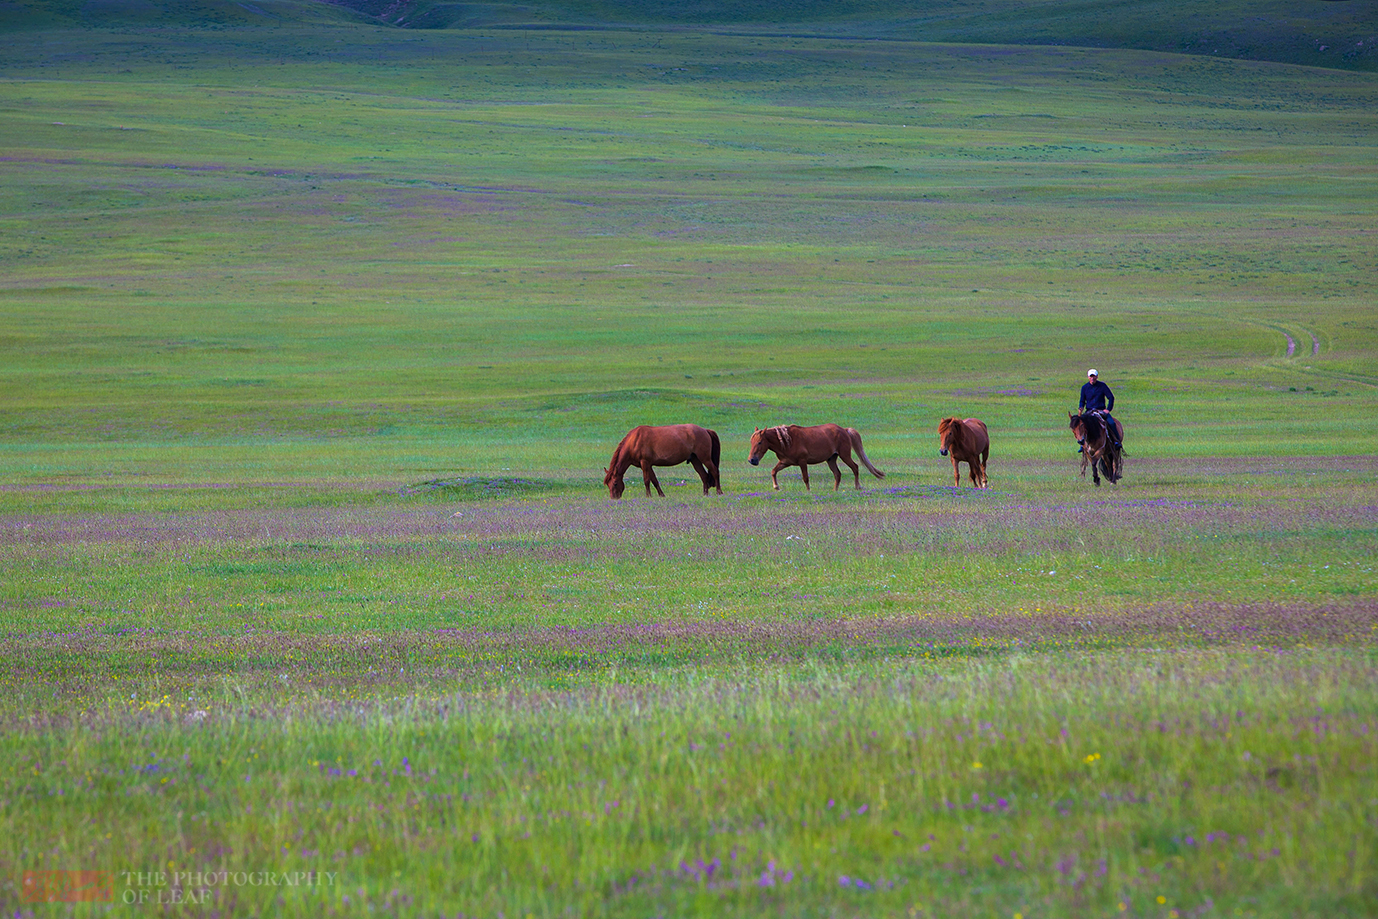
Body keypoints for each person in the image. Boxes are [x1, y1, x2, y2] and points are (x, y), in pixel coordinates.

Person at [1077, 369, 1120, 451]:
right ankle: (1082, 444)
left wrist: (1108, 409)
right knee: (1080, 425)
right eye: (1091, 376)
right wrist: (1081, 408)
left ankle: (1116, 441)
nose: (1092, 378)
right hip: (1089, 411)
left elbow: (1111, 397)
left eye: (1094, 376)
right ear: (1088, 377)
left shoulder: (1102, 386)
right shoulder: (1084, 388)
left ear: (1097, 376)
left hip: (1101, 410)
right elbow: (1082, 400)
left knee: (1111, 423)